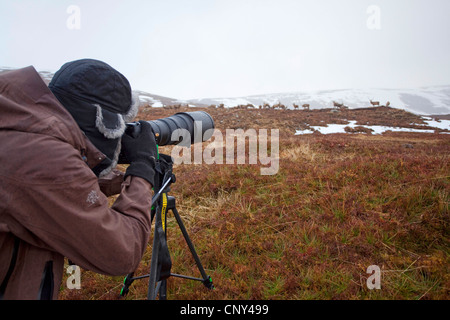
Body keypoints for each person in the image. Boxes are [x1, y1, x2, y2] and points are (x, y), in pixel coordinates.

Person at [0, 59, 157, 299]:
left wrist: (120, 179)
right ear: (101, 124)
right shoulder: (43, 157)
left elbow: (59, 189)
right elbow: (123, 253)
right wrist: (143, 172)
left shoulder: (19, 126)